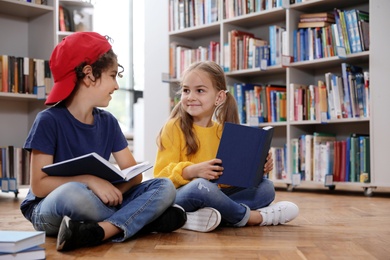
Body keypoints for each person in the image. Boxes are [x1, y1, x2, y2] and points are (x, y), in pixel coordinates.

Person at [20, 32, 186, 252]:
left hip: (99, 204)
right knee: (74, 193)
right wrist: (90, 180)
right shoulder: (48, 120)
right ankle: (145, 220)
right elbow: (39, 186)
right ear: (89, 74)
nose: (116, 85)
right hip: (50, 207)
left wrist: (113, 189)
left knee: (163, 185)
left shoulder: (108, 121)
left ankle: (102, 230)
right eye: (113, 75)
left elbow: (134, 173)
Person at [154, 60, 299, 232]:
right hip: (185, 195)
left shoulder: (222, 131)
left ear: (219, 97)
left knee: (266, 187)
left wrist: (259, 167)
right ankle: (252, 218)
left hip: (216, 196)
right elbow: (160, 178)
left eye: (199, 90)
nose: (190, 96)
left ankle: (200, 217)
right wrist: (192, 171)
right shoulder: (174, 126)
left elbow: (227, 182)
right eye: (186, 90)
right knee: (201, 186)